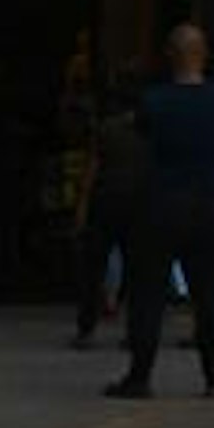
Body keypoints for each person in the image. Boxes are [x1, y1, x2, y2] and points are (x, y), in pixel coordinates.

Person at [110, 17, 214, 399]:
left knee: (148, 296)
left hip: (162, 205)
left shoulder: (155, 101)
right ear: (204, 55)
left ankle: (140, 377)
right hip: (206, 205)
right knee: (208, 297)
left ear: (171, 56)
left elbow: (139, 138)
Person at [69, 84, 155, 346]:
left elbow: (90, 173)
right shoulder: (149, 133)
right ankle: (136, 331)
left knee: (93, 268)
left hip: (106, 202)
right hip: (139, 204)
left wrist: (81, 210)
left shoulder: (105, 130)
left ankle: (87, 329)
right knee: (138, 271)